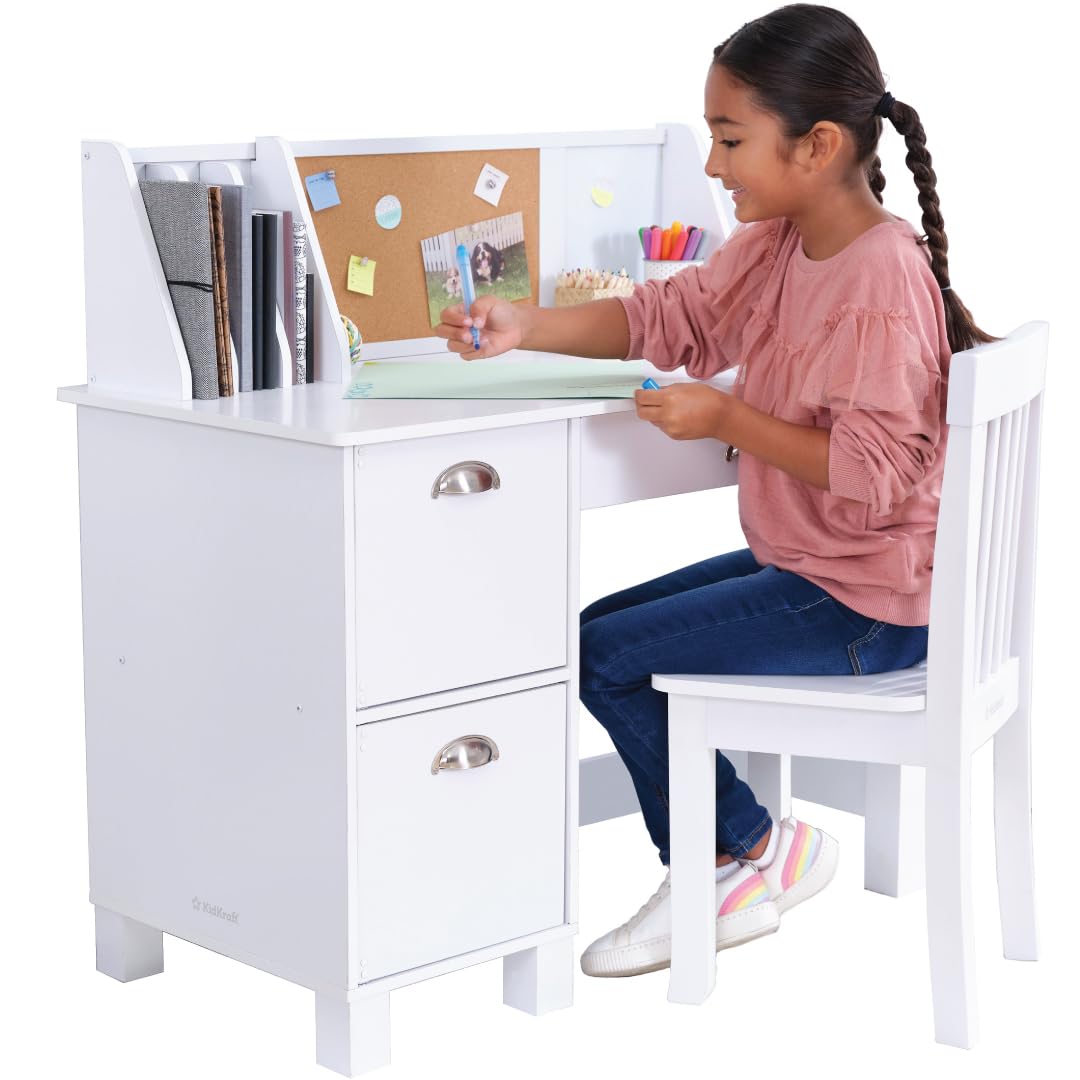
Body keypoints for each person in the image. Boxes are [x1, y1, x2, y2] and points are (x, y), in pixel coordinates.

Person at [434, 2, 999, 980]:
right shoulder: (785, 244)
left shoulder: (877, 279)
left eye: (730, 138)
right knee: (592, 635)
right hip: (826, 570)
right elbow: (672, 314)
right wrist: (527, 321)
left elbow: (878, 476)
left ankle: (730, 859)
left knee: (605, 655)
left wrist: (727, 421)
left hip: (869, 605)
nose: (712, 164)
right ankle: (755, 846)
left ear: (817, 146)